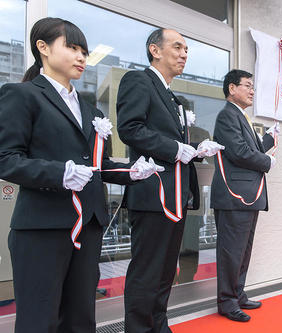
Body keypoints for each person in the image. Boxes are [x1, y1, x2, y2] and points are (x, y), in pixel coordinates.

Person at [0, 17, 158, 333]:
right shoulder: (23, 95)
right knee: (39, 318)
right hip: (42, 227)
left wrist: (132, 172)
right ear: (42, 48)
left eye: (83, 51)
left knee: (81, 316)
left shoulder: (91, 111)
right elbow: (6, 159)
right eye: (72, 48)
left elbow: (95, 165)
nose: (81, 57)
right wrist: (60, 173)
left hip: (88, 226)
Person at [116, 28, 223, 332]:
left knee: (165, 272)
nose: (184, 54)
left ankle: (158, 325)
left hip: (175, 195)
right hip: (153, 195)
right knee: (147, 272)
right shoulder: (139, 80)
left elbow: (172, 143)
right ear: (155, 50)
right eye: (177, 47)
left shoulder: (173, 96)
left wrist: (196, 151)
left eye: (187, 49)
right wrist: (177, 148)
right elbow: (130, 128)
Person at [211, 69, 278, 322]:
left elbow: (252, 148)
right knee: (231, 251)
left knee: (243, 250)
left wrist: (270, 138)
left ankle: (237, 293)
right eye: (247, 86)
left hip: (248, 196)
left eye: (253, 86)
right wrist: (267, 161)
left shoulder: (242, 117)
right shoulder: (227, 116)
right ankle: (226, 301)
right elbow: (238, 152)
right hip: (234, 196)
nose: (252, 91)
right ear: (231, 88)